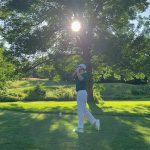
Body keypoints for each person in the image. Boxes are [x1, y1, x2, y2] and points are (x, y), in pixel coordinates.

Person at [72, 64, 100, 133]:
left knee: (80, 110)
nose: (77, 67)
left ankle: (80, 128)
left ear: (82, 68)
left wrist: (78, 71)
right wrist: (76, 71)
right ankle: (95, 121)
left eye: (79, 67)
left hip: (82, 92)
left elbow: (81, 79)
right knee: (84, 110)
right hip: (80, 93)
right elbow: (72, 76)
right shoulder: (78, 74)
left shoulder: (85, 74)